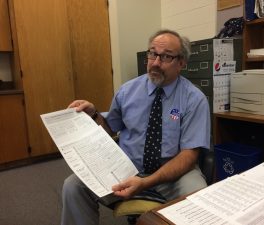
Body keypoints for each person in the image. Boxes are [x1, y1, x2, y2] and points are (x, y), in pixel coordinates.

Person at [61, 29, 211, 225]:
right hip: (126, 169)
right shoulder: (127, 91)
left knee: (198, 197)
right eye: (152, 54)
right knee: (73, 186)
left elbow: (189, 155)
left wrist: (146, 183)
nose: (156, 62)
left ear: (181, 62)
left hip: (173, 175)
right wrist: (94, 114)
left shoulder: (194, 98)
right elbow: (110, 128)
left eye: (166, 56)